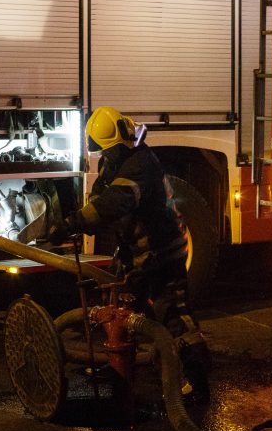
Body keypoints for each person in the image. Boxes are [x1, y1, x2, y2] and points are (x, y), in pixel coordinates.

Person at [49, 106, 210, 400]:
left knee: (172, 314)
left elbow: (117, 201)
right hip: (136, 253)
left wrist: (73, 223)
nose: (104, 155)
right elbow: (101, 197)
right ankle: (124, 366)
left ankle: (197, 380)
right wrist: (84, 220)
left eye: (107, 150)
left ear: (118, 143)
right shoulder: (116, 160)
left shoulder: (140, 162)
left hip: (162, 252)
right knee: (123, 311)